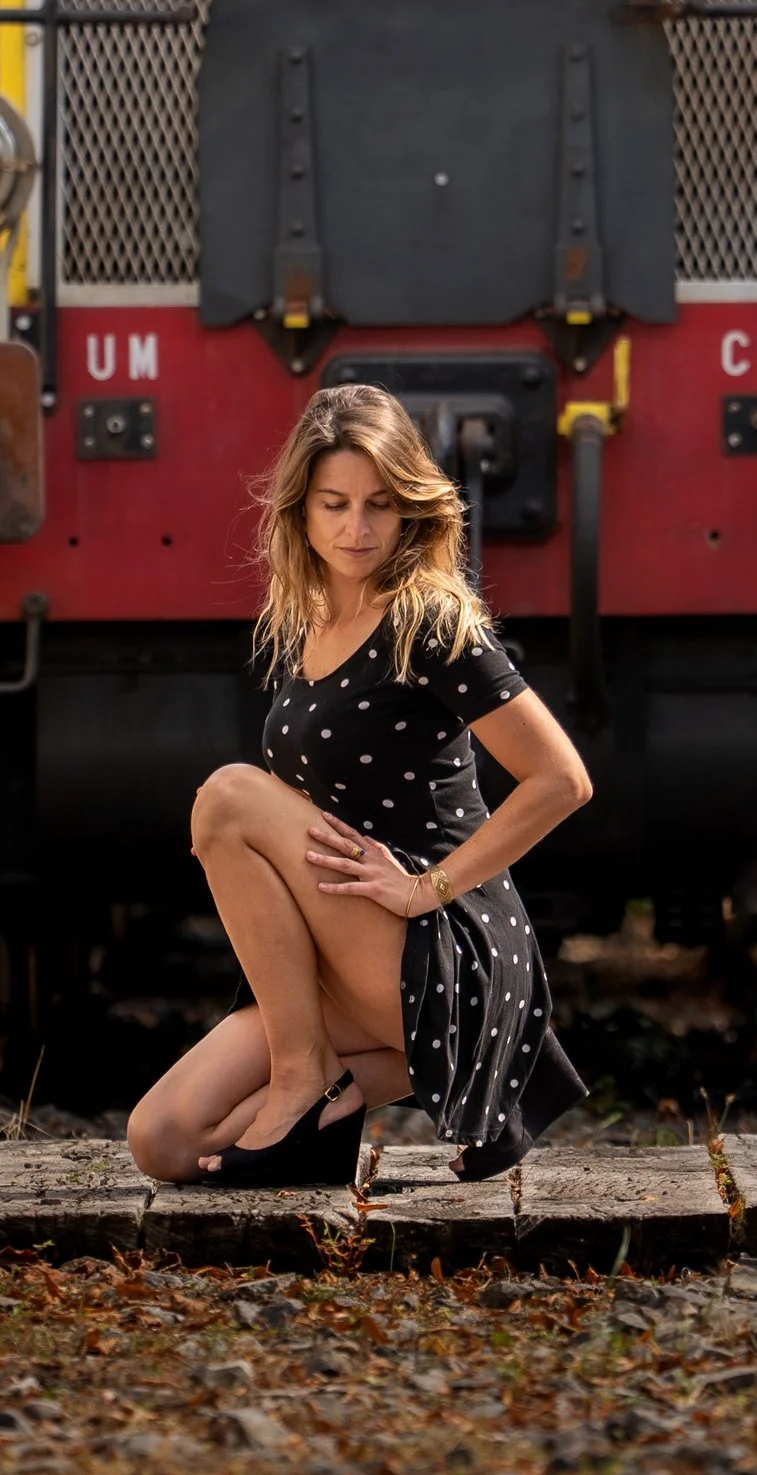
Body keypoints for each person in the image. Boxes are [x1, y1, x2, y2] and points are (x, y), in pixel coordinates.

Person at [125, 383, 593, 1190]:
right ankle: (333, 1087)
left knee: (229, 797)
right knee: (165, 1141)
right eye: (335, 503)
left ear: (410, 508)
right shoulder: (309, 623)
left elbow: (563, 779)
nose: (357, 527)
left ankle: (307, 1074)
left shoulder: (430, 621)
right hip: (350, 954)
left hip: (440, 943)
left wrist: (426, 887)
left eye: (380, 503)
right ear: (301, 512)